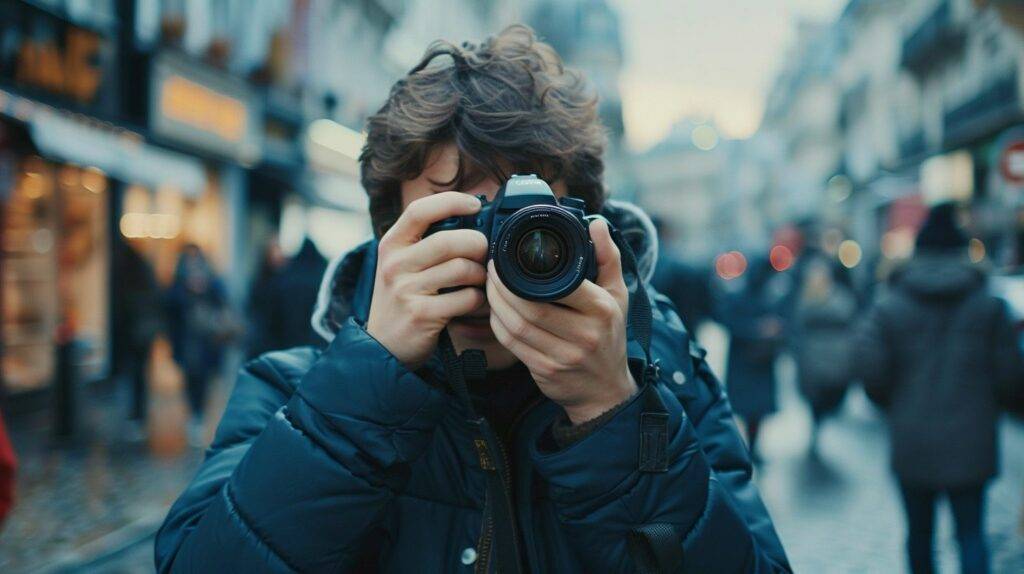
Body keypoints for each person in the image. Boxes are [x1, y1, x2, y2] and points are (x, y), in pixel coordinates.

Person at [156, 25, 790, 573]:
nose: (491, 267)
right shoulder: (291, 394)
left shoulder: (667, 383)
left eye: (532, 230)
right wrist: (367, 385)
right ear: (389, 235)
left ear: (590, 231)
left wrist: (612, 412)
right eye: (456, 226)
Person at [855, 202, 1024, 574]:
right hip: (972, 438)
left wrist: (894, 406)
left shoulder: (890, 305)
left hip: (912, 437)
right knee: (971, 534)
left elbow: (871, 371)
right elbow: (1012, 377)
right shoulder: (989, 306)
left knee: (919, 536)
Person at [717, 257, 786, 464]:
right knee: (749, 409)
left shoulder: (769, 297)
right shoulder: (747, 297)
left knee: (754, 411)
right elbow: (730, 322)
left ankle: (752, 447)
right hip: (747, 362)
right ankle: (749, 447)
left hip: (757, 361)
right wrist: (758, 329)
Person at [791, 250, 857, 459]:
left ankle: (819, 421)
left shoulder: (832, 296)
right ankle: (818, 423)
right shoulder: (807, 297)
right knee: (817, 397)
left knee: (827, 396)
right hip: (817, 357)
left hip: (830, 356)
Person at [166, 244, 232, 446]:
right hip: (188, 341)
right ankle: (195, 415)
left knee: (204, 380)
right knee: (190, 379)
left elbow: (224, 303)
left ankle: (199, 415)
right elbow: (169, 305)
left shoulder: (213, 280)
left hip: (208, 342)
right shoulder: (178, 283)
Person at [111, 239, 163, 434]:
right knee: (139, 374)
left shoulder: (130, 276)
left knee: (135, 373)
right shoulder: (144, 271)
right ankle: (137, 413)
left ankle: (137, 414)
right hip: (141, 332)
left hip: (136, 331)